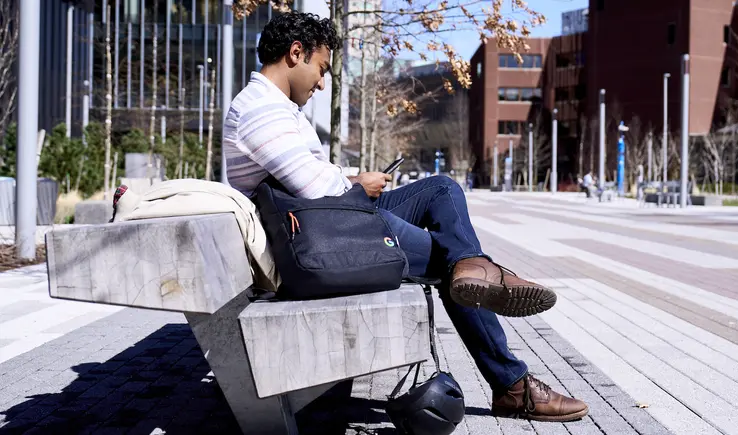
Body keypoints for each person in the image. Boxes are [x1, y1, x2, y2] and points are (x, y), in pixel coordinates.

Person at [222, 11, 588, 422]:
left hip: (334, 219)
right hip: (325, 235)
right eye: (321, 69)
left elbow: (311, 179)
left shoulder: (273, 108)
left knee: (442, 189)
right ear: (295, 54)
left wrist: (354, 178)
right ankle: (512, 384)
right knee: (456, 269)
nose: (322, 82)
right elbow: (315, 190)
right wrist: (356, 184)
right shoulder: (260, 111)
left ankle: (480, 271)